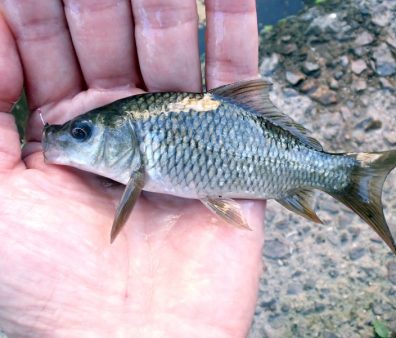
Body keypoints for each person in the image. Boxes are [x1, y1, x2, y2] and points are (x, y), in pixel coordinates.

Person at [0, 1, 265, 336]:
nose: (68, 138)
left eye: (82, 133)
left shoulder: (134, 171)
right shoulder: (129, 167)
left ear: (126, 138)